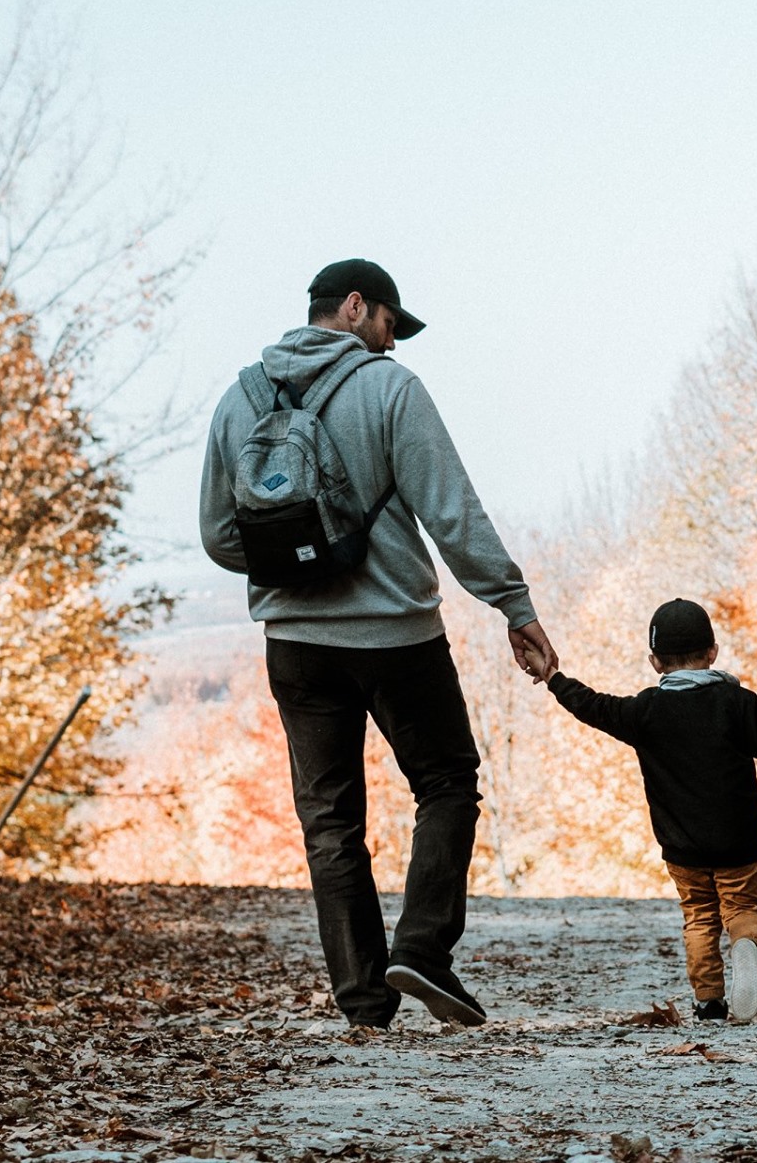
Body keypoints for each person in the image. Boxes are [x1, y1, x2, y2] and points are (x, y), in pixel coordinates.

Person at [199, 257, 557, 1029]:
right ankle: (422, 949)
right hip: (395, 631)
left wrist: (297, 564)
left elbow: (219, 535)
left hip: (294, 641)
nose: (394, 344)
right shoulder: (391, 389)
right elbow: (452, 513)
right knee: (448, 779)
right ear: (356, 306)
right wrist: (513, 605)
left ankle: (364, 1001)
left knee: (330, 820)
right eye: (392, 324)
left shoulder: (240, 398)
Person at [524, 599, 757, 1023]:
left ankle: (709, 1001)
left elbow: (591, 705)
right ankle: (745, 944)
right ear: (713, 652)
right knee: (742, 908)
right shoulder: (736, 701)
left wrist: (553, 677)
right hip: (738, 840)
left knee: (700, 917)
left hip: (681, 847)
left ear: (655, 661)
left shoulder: (644, 710)